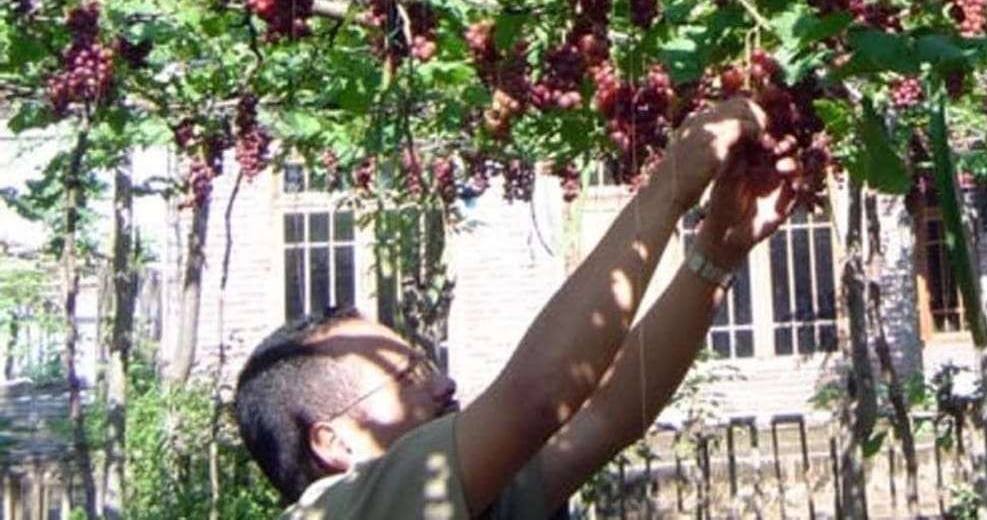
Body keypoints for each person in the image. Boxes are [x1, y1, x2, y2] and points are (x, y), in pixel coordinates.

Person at [235, 97, 793, 519]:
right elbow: (536, 398)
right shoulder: (338, 511)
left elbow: (607, 415)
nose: (443, 385)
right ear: (334, 442)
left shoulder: (461, 502)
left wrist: (716, 251)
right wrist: (670, 186)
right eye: (408, 377)